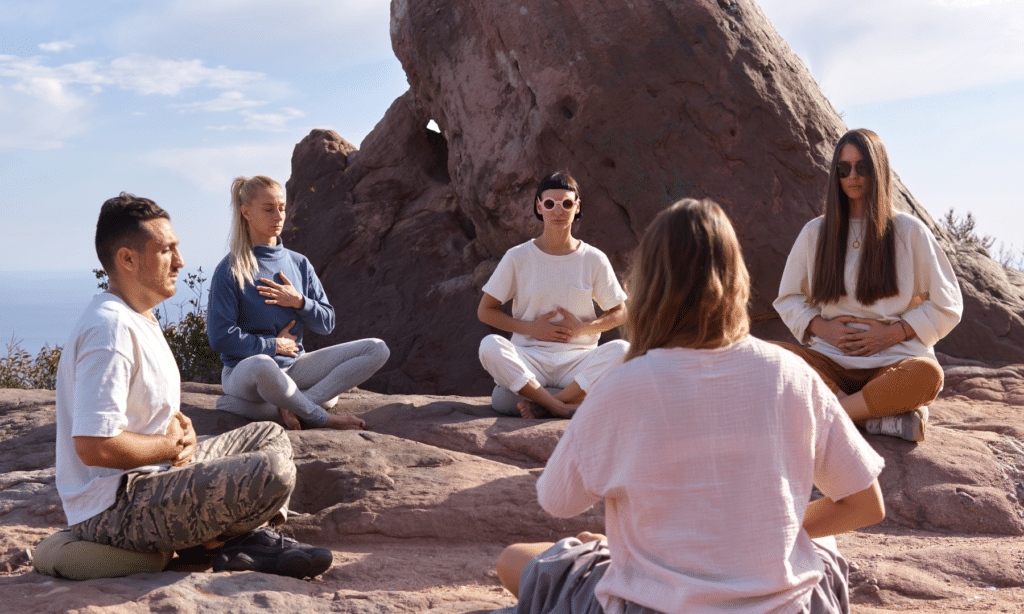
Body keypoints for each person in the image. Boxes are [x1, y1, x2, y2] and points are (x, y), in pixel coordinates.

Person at [493, 198, 886, 614]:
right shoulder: (793, 374)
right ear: (736, 277)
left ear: (651, 284)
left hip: (652, 605)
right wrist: (767, 535)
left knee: (515, 559)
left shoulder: (623, 386)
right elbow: (864, 505)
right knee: (822, 540)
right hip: (785, 606)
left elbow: (558, 500)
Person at [50, 193, 331, 579]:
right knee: (273, 471)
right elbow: (94, 444)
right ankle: (237, 541)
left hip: (154, 479)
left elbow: (143, 410)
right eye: (167, 251)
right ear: (127, 260)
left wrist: (180, 428)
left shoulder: (138, 319)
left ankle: (232, 541)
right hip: (113, 510)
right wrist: (167, 446)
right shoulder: (109, 329)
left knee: (268, 435)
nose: (180, 262)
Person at [773, 129, 962, 442]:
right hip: (830, 362)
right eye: (843, 169)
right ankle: (873, 419)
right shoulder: (815, 233)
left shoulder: (909, 231)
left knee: (928, 375)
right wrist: (822, 328)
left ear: (879, 170)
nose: (852, 176)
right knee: (769, 358)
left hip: (892, 362)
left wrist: (891, 334)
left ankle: (831, 416)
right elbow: (788, 298)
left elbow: (947, 303)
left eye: (862, 167)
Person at [207, 175, 389, 431]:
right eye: (269, 209)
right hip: (246, 373)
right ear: (246, 212)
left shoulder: (299, 263)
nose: (278, 216)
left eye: (282, 207)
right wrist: (273, 345)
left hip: (294, 367)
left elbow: (327, 323)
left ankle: (290, 405)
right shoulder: (230, 269)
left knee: (377, 349)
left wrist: (299, 301)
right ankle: (319, 414)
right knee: (264, 363)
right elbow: (220, 337)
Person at [477, 172, 629, 419]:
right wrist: (532, 329)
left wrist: (583, 329)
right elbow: (485, 311)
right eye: (550, 204)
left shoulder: (594, 258)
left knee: (623, 349)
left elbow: (620, 312)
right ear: (539, 206)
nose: (558, 210)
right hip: (530, 358)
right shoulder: (518, 257)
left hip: (578, 362)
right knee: (489, 346)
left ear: (577, 206)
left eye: (567, 203)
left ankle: (546, 403)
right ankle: (562, 407)